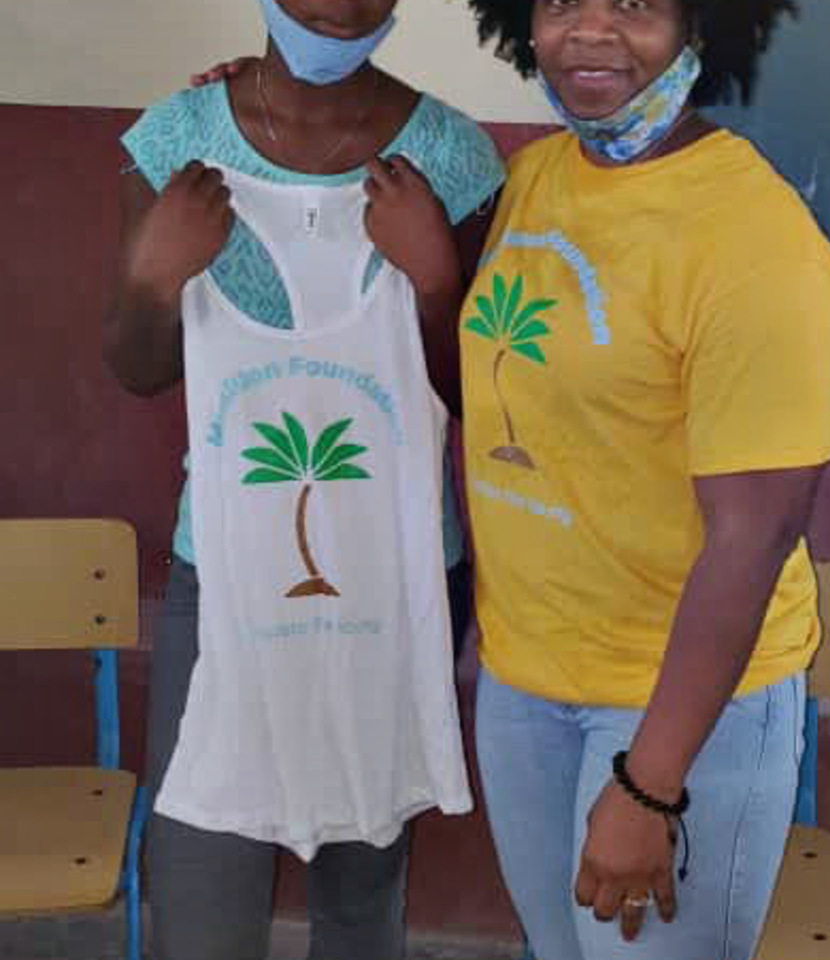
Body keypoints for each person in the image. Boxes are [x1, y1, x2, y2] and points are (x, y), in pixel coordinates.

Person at [102, 2, 503, 959]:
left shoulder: (452, 158)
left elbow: (484, 395)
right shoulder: (176, 144)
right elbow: (135, 364)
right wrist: (154, 280)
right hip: (227, 573)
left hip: (397, 575)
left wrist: (438, 280)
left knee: (363, 889)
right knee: (203, 887)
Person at [460, 1, 830, 959]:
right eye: (559, 2)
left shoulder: (756, 237)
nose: (589, 31)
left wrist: (649, 782)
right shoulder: (533, 179)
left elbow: (756, 532)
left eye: (634, 2)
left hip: (674, 710)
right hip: (522, 685)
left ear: (703, 25)